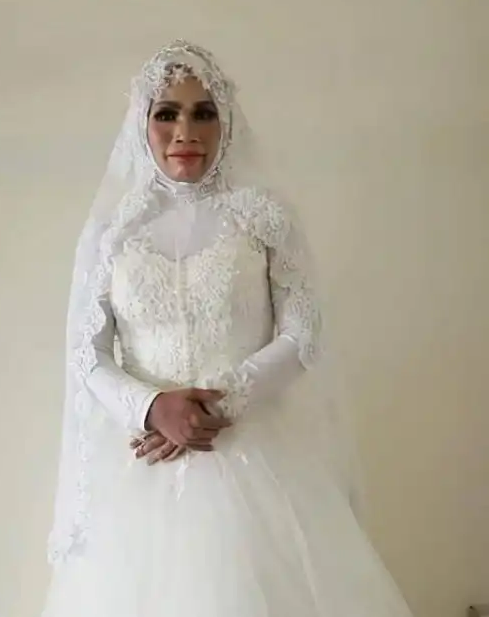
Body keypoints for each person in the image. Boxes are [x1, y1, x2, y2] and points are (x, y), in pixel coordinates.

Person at [42, 40, 413, 617]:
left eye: (203, 113)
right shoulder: (112, 233)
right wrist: (152, 407)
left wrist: (216, 405)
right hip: (142, 464)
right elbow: (86, 353)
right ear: (142, 123)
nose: (184, 131)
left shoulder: (264, 217)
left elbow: (303, 333)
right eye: (167, 114)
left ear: (227, 123)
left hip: (255, 452)